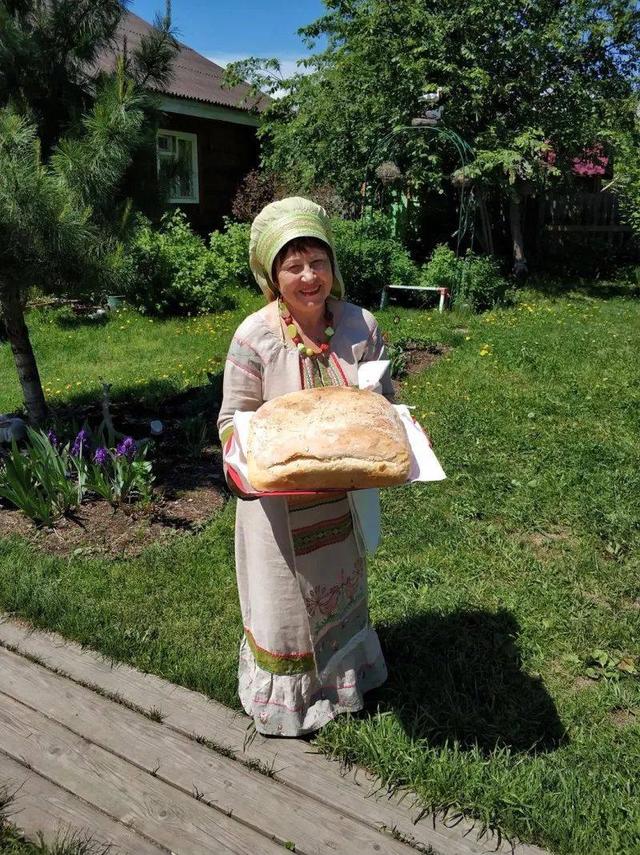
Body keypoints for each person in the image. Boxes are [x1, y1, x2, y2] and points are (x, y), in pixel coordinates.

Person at [217, 197, 394, 737]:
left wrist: (396, 428)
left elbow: (384, 402)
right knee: (286, 601)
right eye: (293, 266)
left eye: (318, 262)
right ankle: (289, 702)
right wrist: (242, 469)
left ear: (332, 265)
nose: (309, 277)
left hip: (343, 496)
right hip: (278, 508)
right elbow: (231, 419)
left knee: (338, 585)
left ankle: (343, 682)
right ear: (273, 276)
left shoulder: (361, 325)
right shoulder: (255, 337)